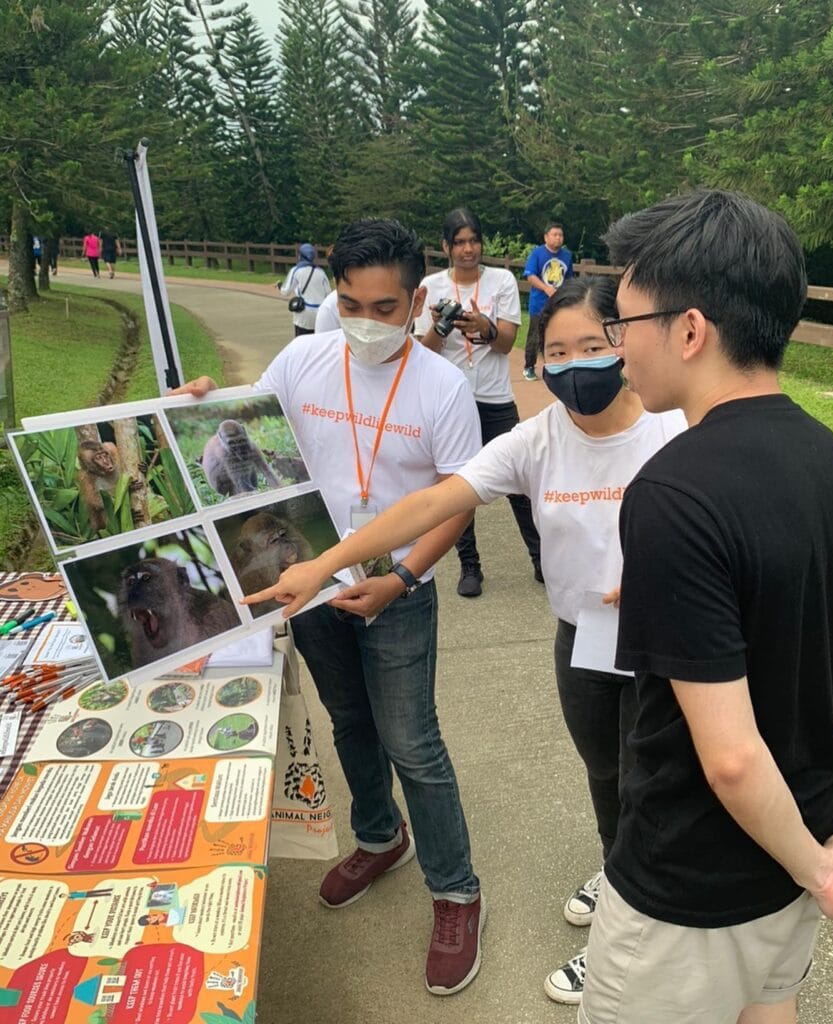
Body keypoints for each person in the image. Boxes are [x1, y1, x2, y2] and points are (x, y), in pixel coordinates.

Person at [242, 274, 686, 1006]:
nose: (575, 365)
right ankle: (621, 876)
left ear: (624, 342)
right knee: (607, 777)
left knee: (658, 783)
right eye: (557, 352)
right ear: (537, 361)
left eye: (592, 346)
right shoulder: (537, 440)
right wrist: (323, 565)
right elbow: (434, 501)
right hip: (581, 641)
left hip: (664, 644)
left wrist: (665, 579)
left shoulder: (676, 430)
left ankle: (628, 944)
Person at [569, 188, 833, 1023]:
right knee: (769, 1005)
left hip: (689, 885)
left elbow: (731, 759)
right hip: (802, 846)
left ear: (689, 330)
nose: (617, 346)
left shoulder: (672, 494)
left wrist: (827, 872)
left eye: (625, 324)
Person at [175, 218, 485, 997]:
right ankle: (379, 836)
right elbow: (238, 427)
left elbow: (458, 502)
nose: (365, 323)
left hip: (396, 591)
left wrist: (401, 579)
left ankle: (456, 891)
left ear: (417, 302)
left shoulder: (443, 388)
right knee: (349, 720)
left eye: (384, 308)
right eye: (350, 305)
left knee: (413, 742)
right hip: (310, 581)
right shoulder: (303, 360)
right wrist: (199, 403)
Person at [416, 207, 542, 596]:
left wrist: (484, 327)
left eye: (474, 241)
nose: (468, 249)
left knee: (519, 481)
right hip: (451, 400)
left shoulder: (500, 280)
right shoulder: (431, 286)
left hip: (494, 397)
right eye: (459, 242)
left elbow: (505, 344)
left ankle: (542, 558)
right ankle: (469, 566)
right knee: (457, 485)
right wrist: (442, 326)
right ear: (445, 247)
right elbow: (424, 353)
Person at [522, 222, 573, 381]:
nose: (558, 238)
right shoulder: (537, 254)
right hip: (539, 303)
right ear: (546, 237)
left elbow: (569, 279)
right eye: (555, 235)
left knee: (558, 335)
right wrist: (546, 288)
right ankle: (529, 366)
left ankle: (555, 366)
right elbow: (530, 276)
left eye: (561, 235)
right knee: (535, 335)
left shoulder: (567, 256)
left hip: (559, 304)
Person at [279, 243, 332, 337]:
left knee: (301, 340)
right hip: (319, 314)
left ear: (300, 256)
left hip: (303, 314)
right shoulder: (321, 272)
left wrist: (279, 286)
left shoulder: (296, 270)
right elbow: (328, 293)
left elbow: (285, 291)